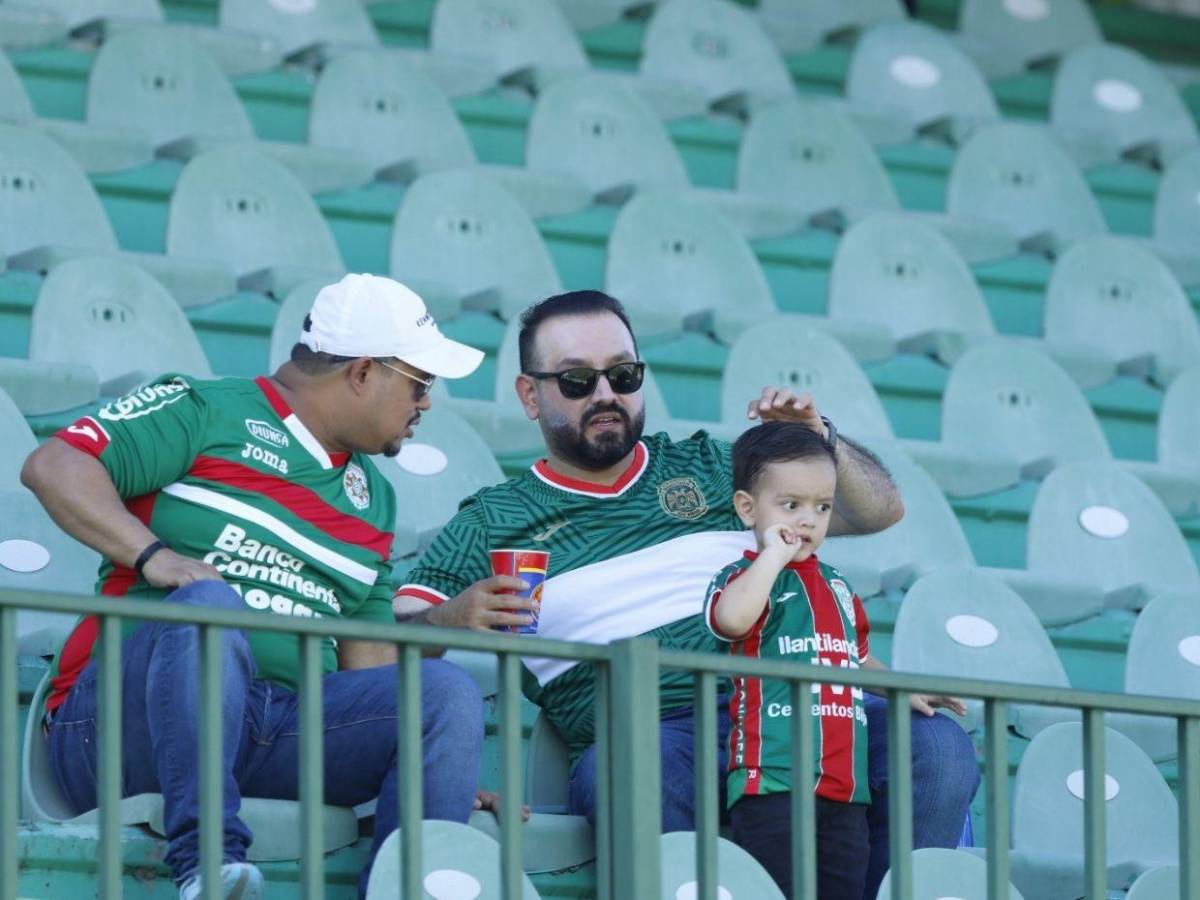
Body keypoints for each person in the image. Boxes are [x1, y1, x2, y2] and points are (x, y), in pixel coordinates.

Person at [393, 289, 981, 898]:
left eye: (623, 374)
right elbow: (390, 642)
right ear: (528, 394)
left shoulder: (709, 465)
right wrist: (450, 618)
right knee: (630, 769)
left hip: (786, 701)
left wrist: (818, 442)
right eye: (575, 380)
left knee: (932, 746)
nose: (605, 394)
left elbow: (880, 511)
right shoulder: (492, 521)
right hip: (650, 733)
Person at [21, 274, 500, 900]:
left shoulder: (373, 498)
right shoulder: (203, 407)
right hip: (120, 725)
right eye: (419, 382)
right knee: (209, 608)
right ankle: (208, 865)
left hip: (276, 729)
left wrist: (435, 763)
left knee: (441, 696)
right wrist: (155, 557)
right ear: (362, 373)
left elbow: (368, 672)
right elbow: (53, 465)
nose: (427, 403)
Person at [706, 422, 966, 898]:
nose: (808, 521)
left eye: (822, 507)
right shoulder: (745, 575)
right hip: (773, 782)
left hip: (845, 788)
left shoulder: (838, 585)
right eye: (790, 506)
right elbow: (732, 620)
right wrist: (771, 557)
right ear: (748, 508)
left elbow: (853, 658)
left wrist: (901, 688)